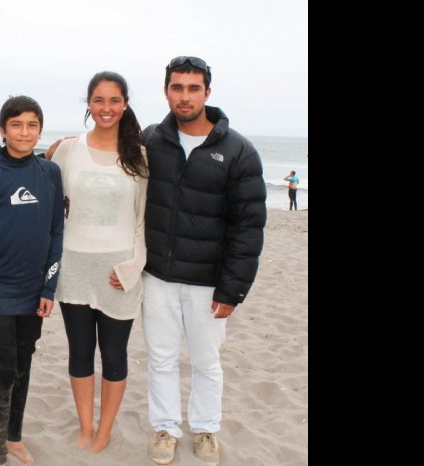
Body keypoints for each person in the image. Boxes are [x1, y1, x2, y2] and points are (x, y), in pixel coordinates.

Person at [141, 56, 266, 465]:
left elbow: (248, 228)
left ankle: (206, 430)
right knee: (160, 358)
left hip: (209, 283)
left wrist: (234, 287)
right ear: (166, 91)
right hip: (157, 274)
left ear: (207, 93)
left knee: (206, 362)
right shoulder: (151, 140)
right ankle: (165, 429)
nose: (185, 96)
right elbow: (107, 157)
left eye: (193, 88)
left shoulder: (238, 151)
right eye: (177, 87)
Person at [0, 95, 64, 466]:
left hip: (33, 290)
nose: (24, 132)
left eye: (32, 125)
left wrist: (49, 287)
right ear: (3, 131)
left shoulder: (49, 173)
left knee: (24, 362)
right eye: (16, 125)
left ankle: (14, 438)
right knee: (3, 366)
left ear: (40, 129)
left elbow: (55, 233)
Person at [49, 71, 148, 454]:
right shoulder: (69, 150)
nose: (106, 108)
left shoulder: (139, 155)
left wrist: (134, 265)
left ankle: (104, 429)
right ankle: (85, 425)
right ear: (88, 104)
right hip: (73, 265)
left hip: (118, 272)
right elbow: (44, 196)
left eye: (114, 100)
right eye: (99, 100)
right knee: (79, 351)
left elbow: (143, 219)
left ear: (125, 104)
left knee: (114, 355)